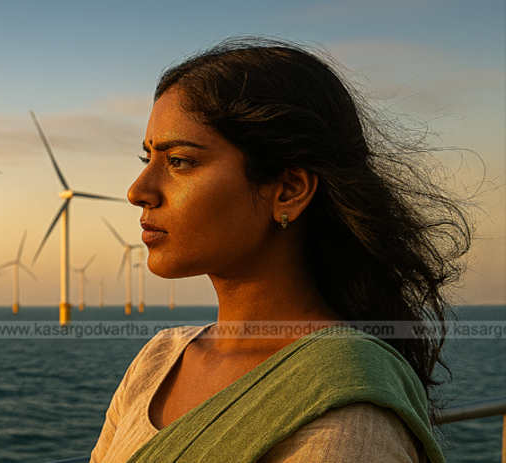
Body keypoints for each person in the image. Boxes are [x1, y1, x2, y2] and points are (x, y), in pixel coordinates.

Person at [90, 37, 472, 463]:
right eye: (148, 159)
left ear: (289, 190)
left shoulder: (348, 414)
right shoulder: (158, 360)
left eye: (179, 161)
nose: (137, 191)